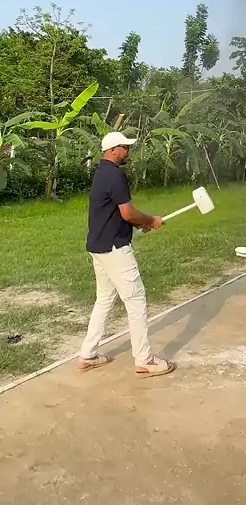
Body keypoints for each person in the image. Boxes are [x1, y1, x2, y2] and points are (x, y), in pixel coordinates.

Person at [77, 131, 174, 377]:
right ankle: (144, 360)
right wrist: (150, 220)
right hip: (114, 249)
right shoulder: (115, 174)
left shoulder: (102, 171)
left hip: (99, 247)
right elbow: (127, 212)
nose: (128, 151)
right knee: (136, 300)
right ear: (113, 150)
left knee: (105, 299)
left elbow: (116, 213)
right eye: (124, 147)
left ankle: (87, 354)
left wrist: (140, 224)